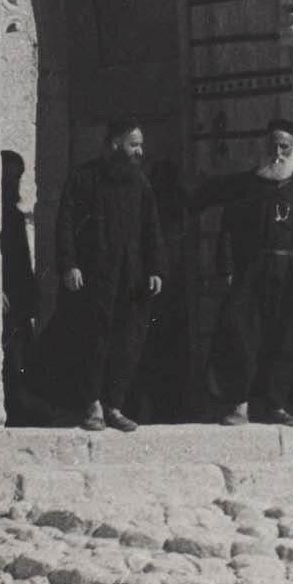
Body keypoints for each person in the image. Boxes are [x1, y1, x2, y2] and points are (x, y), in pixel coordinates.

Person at [31, 118, 165, 432]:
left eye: (141, 146)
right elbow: (65, 225)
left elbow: (152, 230)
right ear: (116, 144)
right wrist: (69, 265)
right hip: (93, 278)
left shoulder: (140, 183)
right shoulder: (83, 178)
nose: (140, 152)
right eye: (134, 145)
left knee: (127, 341)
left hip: (130, 279)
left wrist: (156, 268)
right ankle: (91, 405)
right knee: (92, 341)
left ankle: (114, 405)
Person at [190, 118, 293, 426]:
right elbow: (226, 230)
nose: (277, 153)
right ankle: (239, 405)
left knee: (284, 338)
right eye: (273, 146)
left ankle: (277, 404)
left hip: (290, 273)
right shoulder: (247, 185)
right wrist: (224, 268)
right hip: (251, 271)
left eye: (284, 147)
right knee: (240, 334)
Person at [129, 159, 190, 423]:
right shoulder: (150, 216)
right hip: (153, 291)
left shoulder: (170, 216)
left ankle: (161, 408)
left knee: (156, 353)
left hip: (166, 292)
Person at [0, 151, 48, 426]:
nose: (14, 182)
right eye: (9, 176)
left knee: (20, 352)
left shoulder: (14, 216)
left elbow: (22, 259)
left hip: (17, 294)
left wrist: (31, 293)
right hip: (0, 294)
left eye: (17, 177)